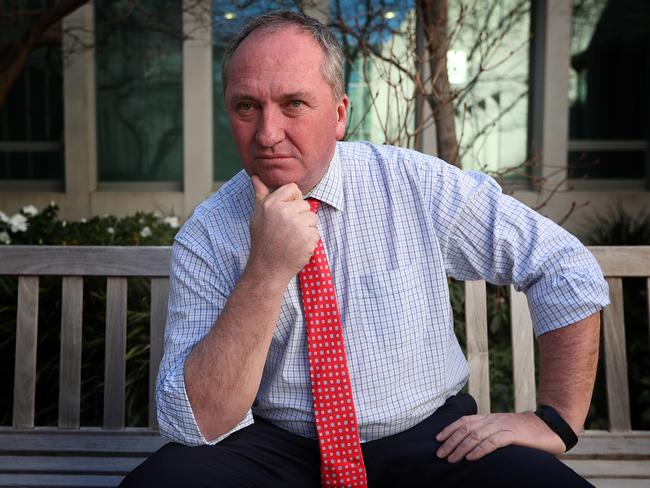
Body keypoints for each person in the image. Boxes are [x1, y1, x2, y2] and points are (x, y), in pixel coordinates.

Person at [121, 10, 609, 488]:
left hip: (430, 441)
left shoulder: (416, 185)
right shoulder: (208, 233)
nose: (268, 134)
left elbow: (561, 265)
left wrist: (556, 421)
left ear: (338, 115)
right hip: (273, 449)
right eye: (247, 106)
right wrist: (266, 270)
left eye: (293, 104)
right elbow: (195, 424)